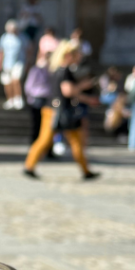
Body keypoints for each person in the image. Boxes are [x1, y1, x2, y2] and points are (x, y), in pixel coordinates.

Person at [23, 40, 99, 180]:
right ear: (69, 55)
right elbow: (68, 91)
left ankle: (86, 170)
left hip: (55, 108)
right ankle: (29, 165)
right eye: (77, 53)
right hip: (59, 110)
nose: (80, 56)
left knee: (70, 140)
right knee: (48, 140)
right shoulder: (65, 71)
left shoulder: (57, 69)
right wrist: (84, 88)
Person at [23, 42, 53, 146]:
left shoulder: (53, 71)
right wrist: (30, 98)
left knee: (48, 125)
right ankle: (35, 144)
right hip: (37, 98)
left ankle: (47, 147)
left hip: (48, 99)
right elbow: (29, 85)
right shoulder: (36, 70)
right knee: (37, 123)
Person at [0, 20, 26, 109]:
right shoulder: (4, 37)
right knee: (7, 82)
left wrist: (28, 62)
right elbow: (0, 51)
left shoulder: (22, 37)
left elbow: (29, 49)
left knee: (16, 80)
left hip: (18, 62)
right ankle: (10, 99)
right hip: (6, 63)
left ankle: (18, 98)